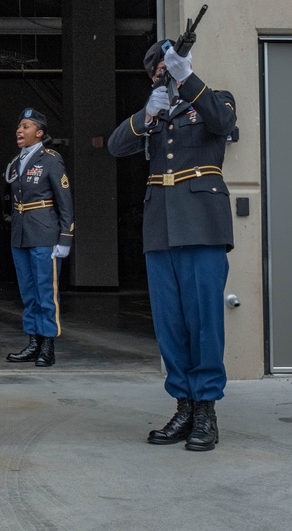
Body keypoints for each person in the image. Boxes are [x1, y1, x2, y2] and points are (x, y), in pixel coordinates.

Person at [107, 41, 237, 452]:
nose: (169, 74)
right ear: (152, 76)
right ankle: (183, 405)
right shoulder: (156, 112)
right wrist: (147, 113)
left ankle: (206, 411)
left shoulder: (212, 98)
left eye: (174, 67)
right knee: (170, 326)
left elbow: (222, 124)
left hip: (202, 224)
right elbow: (115, 146)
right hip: (161, 228)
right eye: (162, 69)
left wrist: (186, 77)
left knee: (204, 322)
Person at [4, 108, 74, 367]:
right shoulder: (18, 161)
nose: (19, 131)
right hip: (21, 233)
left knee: (46, 291)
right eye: (19, 127)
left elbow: (65, 202)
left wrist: (65, 238)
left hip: (45, 232)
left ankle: (48, 345)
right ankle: (33, 342)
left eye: (25, 127)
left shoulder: (51, 160)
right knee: (28, 292)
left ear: (39, 133)